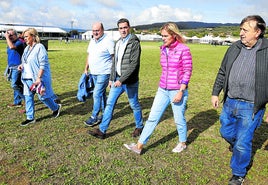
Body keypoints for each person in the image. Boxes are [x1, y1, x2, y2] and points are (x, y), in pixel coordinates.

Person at [211, 15, 268, 185]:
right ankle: (239, 149)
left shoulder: (267, 50)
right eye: (241, 29)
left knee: (243, 142)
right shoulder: (234, 47)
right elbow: (222, 71)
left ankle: (238, 173)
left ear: (257, 32)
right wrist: (215, 92)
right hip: (230, 101)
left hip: (251, 106)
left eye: (245, 30)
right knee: (225, 132)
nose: (241, 33)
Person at [124, 22, 193, 154]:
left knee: (179, 119)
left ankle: (182, 142)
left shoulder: (184, 49)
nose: (163, 38)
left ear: (173, 35)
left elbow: (187, 71)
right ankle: (139, 146)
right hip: (162, 89)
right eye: (162, 35)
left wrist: (181, 91)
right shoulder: (163, 49)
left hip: (177, 90)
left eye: (165, 36)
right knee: (152, 117)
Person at [88, 18, 143, 139]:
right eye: (121, 28)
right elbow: (115, 62)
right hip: (117, 80)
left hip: (130, 82)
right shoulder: (118, 42)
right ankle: (102, 131)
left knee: (134, 104)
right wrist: (112, 79)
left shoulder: (134, 43)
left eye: (125, 27)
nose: (123, 30)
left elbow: (134, 64)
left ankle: (139, 126)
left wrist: (121, 80)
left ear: (129, 28)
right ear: (118, 29)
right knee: (109, 104)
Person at [18, 28, 62, 126]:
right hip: (27, 78)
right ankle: (30, 118)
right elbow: (25, 61)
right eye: (24, 36)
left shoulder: (39, 47)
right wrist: (21, 66)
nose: (24, 38)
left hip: (37, 78)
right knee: (28, 97)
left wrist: (39, 78)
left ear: (33, 36)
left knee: (43, 97)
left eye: (26, 36)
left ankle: (56, 107)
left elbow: (43, 64)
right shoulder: (26, 48)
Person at [84, 22, 115, 126]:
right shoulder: (92, 40)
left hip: (104, 72)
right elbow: (89, 55)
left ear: (102, 30)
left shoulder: (108, 40)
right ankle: (106, 113)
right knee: (101, 94)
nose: (95, 32)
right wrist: (86, 68)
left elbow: (113, 57)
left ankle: (94, 116)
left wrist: (113, 74)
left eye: (97, 30)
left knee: (96, 94)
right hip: (94, 73)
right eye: (93, 31)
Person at [5, 29, 25, 108]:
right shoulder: (11, 43)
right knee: (17, 84)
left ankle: (27, 99)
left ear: (16, 35)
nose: (9, 37)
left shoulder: (19, 42)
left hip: (18, 67)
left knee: (14, 85)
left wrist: (6, 37)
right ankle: (17, 102)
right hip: (11, 67)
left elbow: (12, 47)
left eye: (11, 35)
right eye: (8, 35)